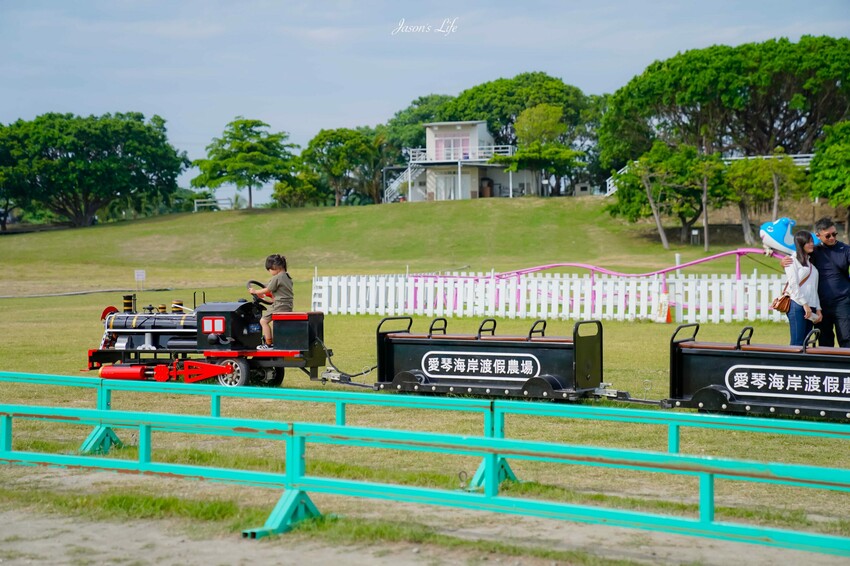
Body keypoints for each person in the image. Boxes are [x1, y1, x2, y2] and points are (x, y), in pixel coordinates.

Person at [781, 217, 850, 347]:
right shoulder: (814, 251)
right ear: (818, 235)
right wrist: (783, 262)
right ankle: (825, 366)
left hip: (843, 302)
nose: (832, 238)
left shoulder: (845, 250)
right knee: (824, 338)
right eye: (828, 235)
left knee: (846, 338)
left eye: (834, 234)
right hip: (821, 303)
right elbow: (797, 261)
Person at [784, 231, 821, 345]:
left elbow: (814, 289)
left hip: (811, 306)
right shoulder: (792, 261)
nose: (811, 244)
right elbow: (794, 284)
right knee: (797, 342)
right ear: (800, 244)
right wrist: (805, 304)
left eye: (812, 242)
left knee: (806, 343)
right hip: (797, 305)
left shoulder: (810, 263)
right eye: (808, 242)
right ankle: (791, 363)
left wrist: (818, 309)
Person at [249, 254, 294, 350]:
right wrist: (264, 295)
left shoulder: (277, 277)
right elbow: (276, 290)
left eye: (269, 270)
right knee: (276, 323)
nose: (270, 272)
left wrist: (255, 292)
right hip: (287, 305)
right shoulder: (287, 277)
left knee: (263, 321)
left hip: (279, 305)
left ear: (275, 267)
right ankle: (276, 341)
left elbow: (268, 289)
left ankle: (268, 343)